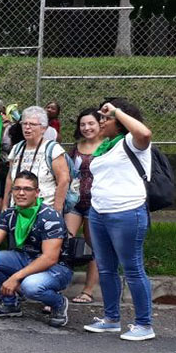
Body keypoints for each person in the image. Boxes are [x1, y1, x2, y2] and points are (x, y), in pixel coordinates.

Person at [83, 99, 155, 341]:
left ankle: (144, 324)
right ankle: (111, 319)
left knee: (133, 268)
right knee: (105, 268)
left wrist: (117, 111)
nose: (102, 121)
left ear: (121, 120)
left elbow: (144, 132)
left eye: (107, 118)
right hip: (99, 213)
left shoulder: (132, 143)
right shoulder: (105, 147)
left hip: (126, 212)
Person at [0, 171, 71, 327]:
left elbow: (50, 258)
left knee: (30, 286)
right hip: (25, 259)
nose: (21, 193)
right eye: (17, 188)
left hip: (56, 268)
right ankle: (10, 304)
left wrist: (15, 278)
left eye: (27, 189)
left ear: (37, 193)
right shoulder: (9, 214)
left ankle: (59, 303)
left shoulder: (50, 216)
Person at [2, 106, 70, 214]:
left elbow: (63, 180)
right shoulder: (16, 149)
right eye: (24, 123)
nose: (27, 128)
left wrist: (56, 210)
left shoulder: (53, 150)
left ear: (43, 128)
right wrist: (5, 206)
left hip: (44, 211)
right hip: (17, 211)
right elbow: (10, 179)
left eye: (32, 124)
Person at [67, 108, 103, 304]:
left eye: (91, 124)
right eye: (83, 124)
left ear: (99, 125)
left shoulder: (107, 146)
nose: (87, 128)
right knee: (64, 243)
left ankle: (88, 291)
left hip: (96, 204)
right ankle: (57, 288)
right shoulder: (76, 146)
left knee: (94, 247)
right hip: (74, 202)